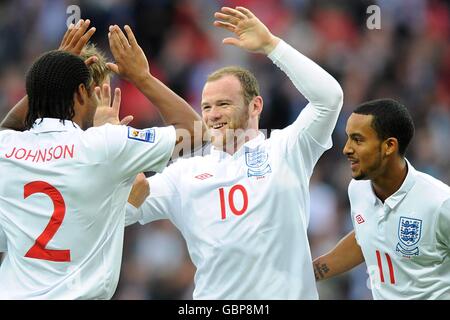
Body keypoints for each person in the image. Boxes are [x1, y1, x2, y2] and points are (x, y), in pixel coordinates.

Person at [125, 6, 343, 299]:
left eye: (224, 104)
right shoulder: (183, 174)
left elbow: (330, 98)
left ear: (256, 106)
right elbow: (118, 213)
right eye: (206, 107)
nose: (212, 115)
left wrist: (271, 46)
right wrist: (115, 163)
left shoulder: (287, 149)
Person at [0, 20, 202, 299]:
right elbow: (195, 131)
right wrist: (142, 77)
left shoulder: (6, 150)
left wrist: (51, 75)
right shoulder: (105, 144)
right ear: (82, 93)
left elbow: (7, 128)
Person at [313, 99, 450, 299]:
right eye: (348, 138)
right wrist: (308, 273)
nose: (346, 149)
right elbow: (366, 237)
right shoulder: (358, 189)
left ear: (389, 146)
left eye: (358, 140)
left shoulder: (439, 202)